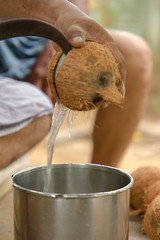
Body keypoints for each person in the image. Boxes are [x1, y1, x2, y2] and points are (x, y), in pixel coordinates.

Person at [0, 0, 152, 169]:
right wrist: (56, 13)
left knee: (134, 54)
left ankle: (99, 181)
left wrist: (59, 34)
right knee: (40, 114)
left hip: (40, 38)